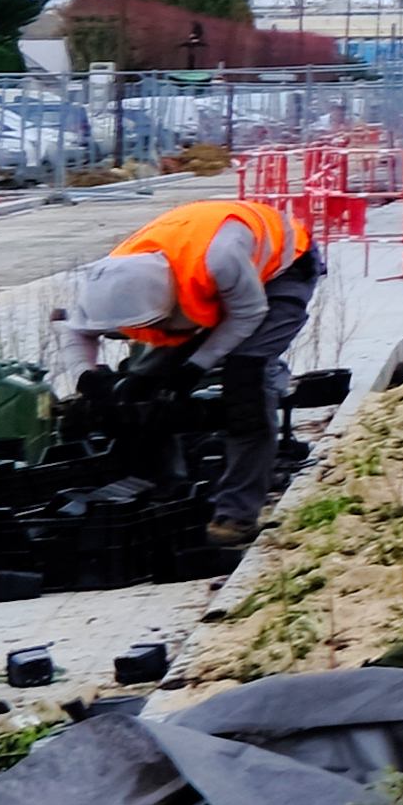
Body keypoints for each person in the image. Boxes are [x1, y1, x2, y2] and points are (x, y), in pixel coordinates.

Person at [72, 187, 326, 545]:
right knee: (139, 389)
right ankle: (164, 490)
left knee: (246, 384)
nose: (155, 334)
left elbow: (248, 314)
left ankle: (236, 515)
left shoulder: (219, 259)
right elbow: (76, 329)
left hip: (282, 270)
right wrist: (89, 378)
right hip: (210, 279)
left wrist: (194, 368)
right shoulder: (110, 278)